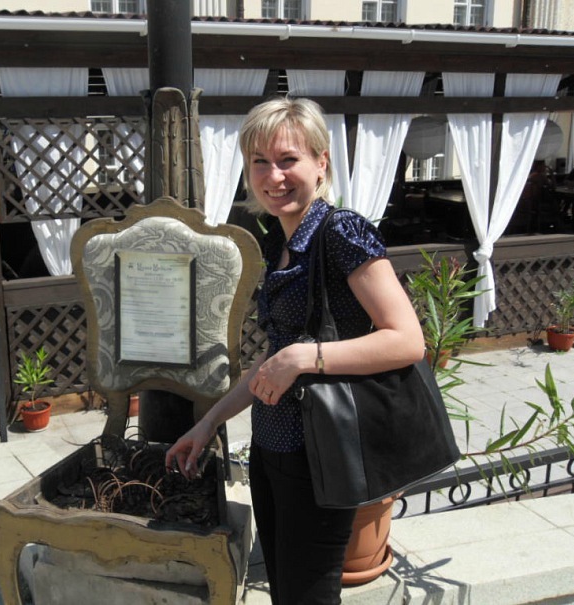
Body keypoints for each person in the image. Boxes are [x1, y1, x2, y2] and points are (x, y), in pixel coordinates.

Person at [165, 97, 425, 604]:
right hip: (273, 447)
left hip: (320, 453)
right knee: (286, 590)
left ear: (321, 163)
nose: (273, 176)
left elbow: (406, 339)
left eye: (289, 159)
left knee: (308, 595)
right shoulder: (279, 242)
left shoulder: (341, 232)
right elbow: (275, 358)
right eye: (260, 161)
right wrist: (209, 422)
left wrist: (307, 357)